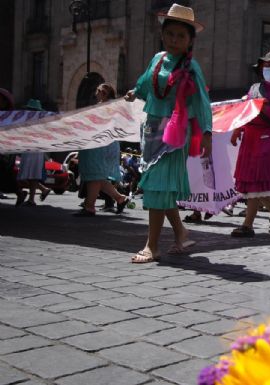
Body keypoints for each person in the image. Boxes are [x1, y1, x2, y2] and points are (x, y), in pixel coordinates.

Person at [124, 3, 212, 263]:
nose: (174, 40)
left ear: (190, 41)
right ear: (163, 34)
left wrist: (206, 131)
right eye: (170, 34)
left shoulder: (191, 67)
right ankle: (181, 233)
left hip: (174, 134)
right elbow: (145, 82)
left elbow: (202, 102)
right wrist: (134, 92)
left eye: (181, 36)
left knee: (158, 184)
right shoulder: (158, 58)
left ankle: (152, 245)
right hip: (152, 127)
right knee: (160, 185)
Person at [230, 50, 270, 237]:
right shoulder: (254, 88)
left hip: (269, 139)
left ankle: (248, 225)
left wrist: (263, 105)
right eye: (267, 65)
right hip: (250, 139)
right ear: (261, 68)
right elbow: (245, 111)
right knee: (254, 183)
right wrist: (237, 129)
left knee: (259, 181)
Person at [73, 83, 130, 217]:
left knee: (94, 174)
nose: (96, 93)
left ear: (103, 92)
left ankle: (89, 206)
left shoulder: (105, 107)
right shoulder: (110, 107)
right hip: (104, 144)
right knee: (98, 176)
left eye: (98, 91)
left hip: (101, 146)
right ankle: (120, 199)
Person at [15, 99, 51, 207]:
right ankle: (41, 191)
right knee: (30, 174)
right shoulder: (38, 121)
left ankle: (32, 198)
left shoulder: (34, 121)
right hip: (33, 149)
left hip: (33, 150)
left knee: (31, 174)